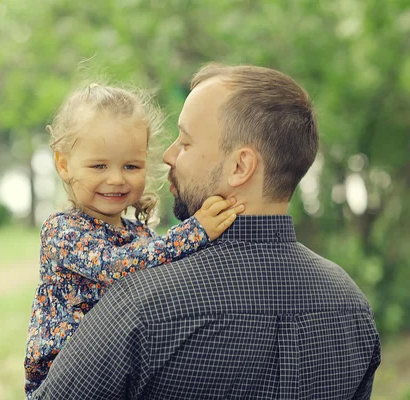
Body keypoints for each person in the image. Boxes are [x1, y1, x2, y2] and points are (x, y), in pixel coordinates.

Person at [32, 64, 381, 400]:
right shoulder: (352, 307)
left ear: (240, 166)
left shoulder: (139, 305)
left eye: (184, 143)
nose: (167, 156)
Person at [24, 83, 245, 398]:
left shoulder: (141, 235)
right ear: (64, 164)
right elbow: (115, 268)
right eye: (99, 165)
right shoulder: (63, 231)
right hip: (66, 380)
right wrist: (195, 232)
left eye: (131, 166)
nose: (116, 178)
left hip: (119, 373)